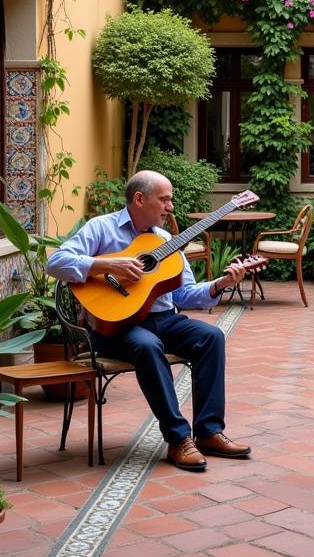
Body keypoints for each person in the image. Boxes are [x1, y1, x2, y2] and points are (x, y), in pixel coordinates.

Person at [47, 170, 252, 472]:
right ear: (140, 199)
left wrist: (220, 284)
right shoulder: (101, 229)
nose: (170, 206)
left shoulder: (168, 241)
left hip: (164, 320)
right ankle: (178, 438)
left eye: (171, 200)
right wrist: (106, 264)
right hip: (115, 326)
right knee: (148, 345)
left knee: (211, 337)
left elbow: (183, 294)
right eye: (165, 199)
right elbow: (56, 263)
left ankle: (208, 432)